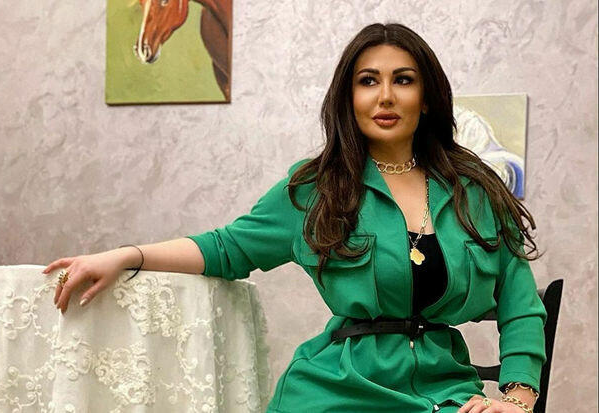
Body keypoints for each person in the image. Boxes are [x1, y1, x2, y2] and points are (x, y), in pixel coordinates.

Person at [43, 23, 546, 413]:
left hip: (443, 391)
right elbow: (227, 248)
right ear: (349, 99)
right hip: (334, 391)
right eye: (368, 81)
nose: (385, 96)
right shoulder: (317, 189)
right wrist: (127, 256)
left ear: (428, 97)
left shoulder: (474, 191)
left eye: (403, 80)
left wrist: (518, 399)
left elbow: (520, 301)